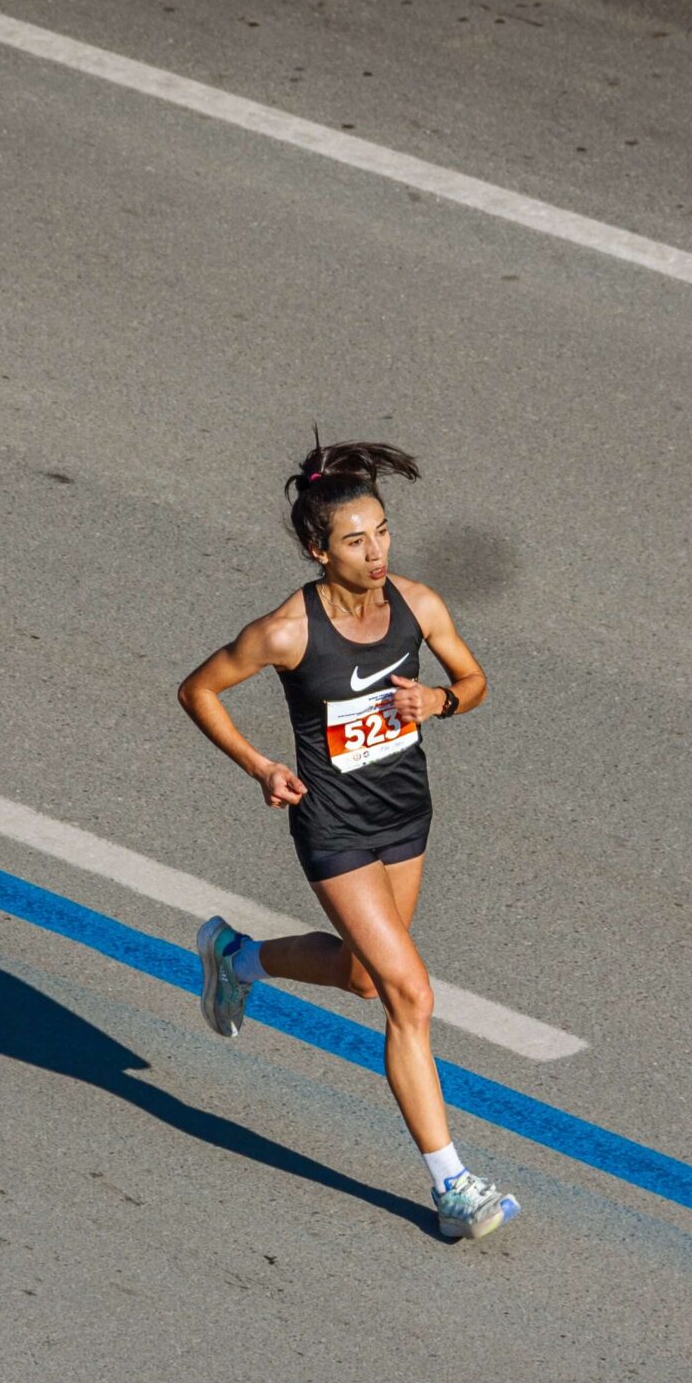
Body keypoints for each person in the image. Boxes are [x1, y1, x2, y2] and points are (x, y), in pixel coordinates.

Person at [176, 440, 521, 1241]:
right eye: (356, 541)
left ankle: (237, 958)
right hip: (334, 830)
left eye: (384, 533)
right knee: (412, 994)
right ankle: (453, 1187)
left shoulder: (419, 605)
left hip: (406, 815)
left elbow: (474, 683)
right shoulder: (288, 631)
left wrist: (440, 702)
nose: (377, 553)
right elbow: (199, 689)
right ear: (317, 549)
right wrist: (260, 764)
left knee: (367, 979)